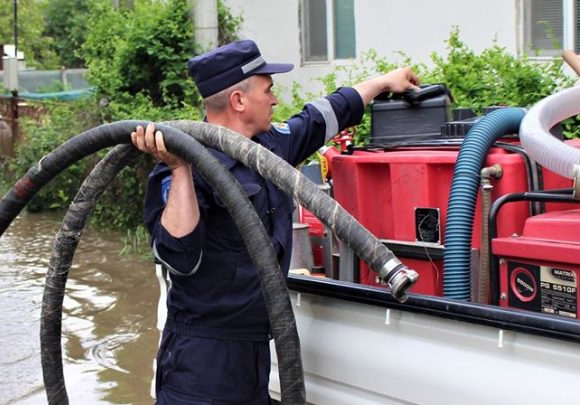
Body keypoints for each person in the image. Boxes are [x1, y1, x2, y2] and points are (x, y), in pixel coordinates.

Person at [131, 39, 419, 404]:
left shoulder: (269, 147)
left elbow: (321, 116)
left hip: (257, 350)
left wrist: (382, 82)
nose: (275, 99)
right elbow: (179, 257)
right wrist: (180, 168)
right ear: (238, 101)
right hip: (202, 360)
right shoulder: (184, 165)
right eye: (268, 90)